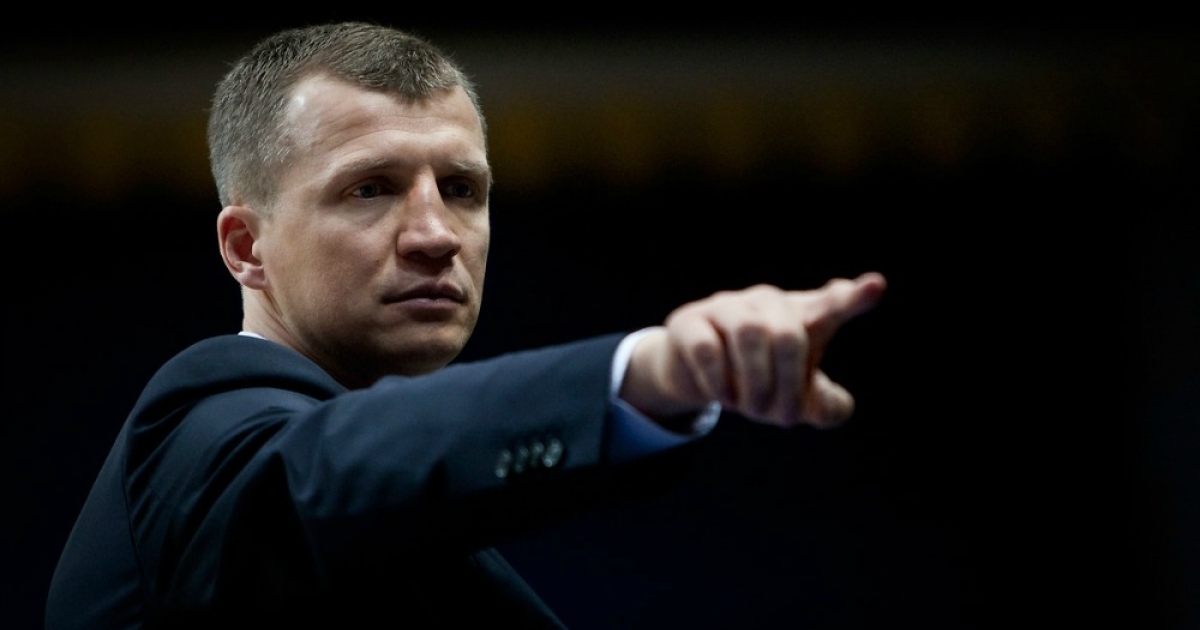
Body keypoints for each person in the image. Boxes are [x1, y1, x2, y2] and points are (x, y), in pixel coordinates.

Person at [45, 21, 887, 629]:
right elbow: (326, 471)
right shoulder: (204, 435)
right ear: (246, 247)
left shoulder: (425, 524)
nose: (436, 234)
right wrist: (645, 374)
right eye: (369, 188)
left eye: (461, 189)